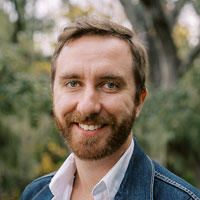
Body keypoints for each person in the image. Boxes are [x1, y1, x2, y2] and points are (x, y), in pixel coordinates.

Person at [21, 16, 200, 200]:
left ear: (138, 101)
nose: (87, 107)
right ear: (54, 94)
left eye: (110, 85)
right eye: (73, 83)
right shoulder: (34, 194)